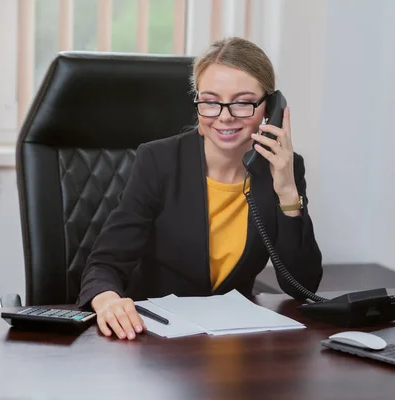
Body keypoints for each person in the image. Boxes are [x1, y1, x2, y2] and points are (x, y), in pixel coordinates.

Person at [76, 37, 323, 340]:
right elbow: (105, 263)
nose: (224, 116)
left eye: (243, 102)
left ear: (269, 107)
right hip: (155, 341)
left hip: (236, 342)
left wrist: (286, 191)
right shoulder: (159, 161)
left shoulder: (284, 167)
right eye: (210, 101)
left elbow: (303, 285)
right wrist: (107, 301)